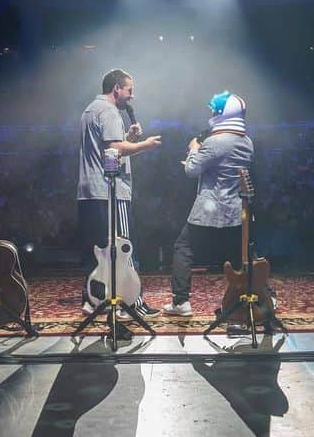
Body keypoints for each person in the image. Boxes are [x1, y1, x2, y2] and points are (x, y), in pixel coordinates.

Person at [78, 68, 162, 316]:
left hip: (89, 191)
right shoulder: (110, 111)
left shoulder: (90, 109)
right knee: (124, 247)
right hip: (110, 190)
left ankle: (93, 300)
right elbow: (113, 149)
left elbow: (103, 147)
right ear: (116, 88)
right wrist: (143, 145)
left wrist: (127, 137)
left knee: (97, 250)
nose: (131, 96)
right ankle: (132, 303)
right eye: (129, 90)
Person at [164, 91, 253, 316]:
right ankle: (263, 294)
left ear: (223, 113)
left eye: (215, 110)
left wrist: (194, 149)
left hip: (210, 208)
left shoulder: (214, 142)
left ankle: (181, 302)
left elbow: (191, 171)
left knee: (183, 249)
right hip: (235, 209)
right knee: (241, 255)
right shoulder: (247, 141)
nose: (212, 113)